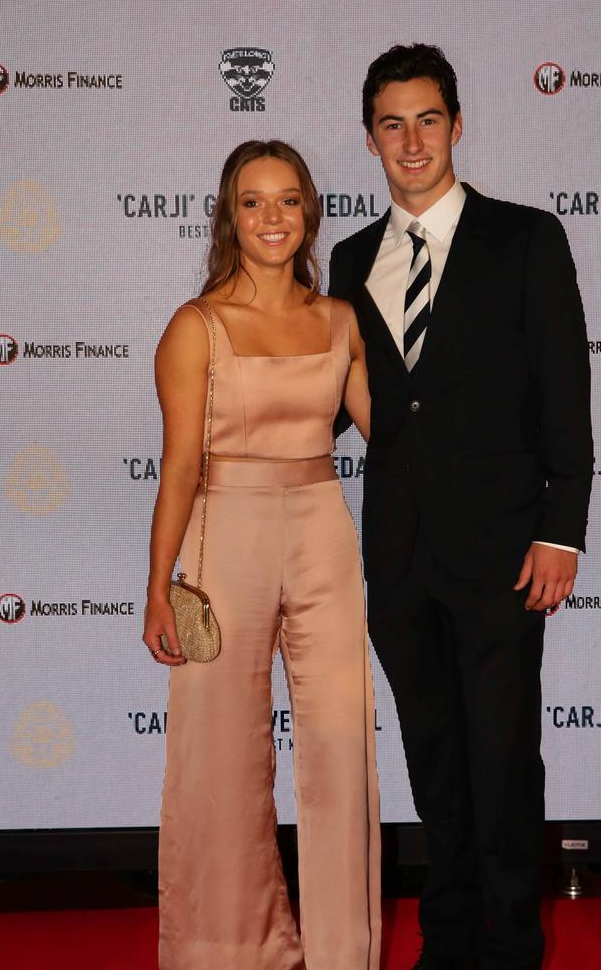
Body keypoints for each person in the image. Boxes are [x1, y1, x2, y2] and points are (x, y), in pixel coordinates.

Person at [329, 45, 593, 970]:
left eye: (427, 119)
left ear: (457, 123)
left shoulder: (524, 237)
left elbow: (564, 393)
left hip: (503, 556)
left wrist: (561, 527)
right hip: (398, 561)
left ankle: (510, 949)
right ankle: (447, 948)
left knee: (502, 764)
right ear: (370, 138)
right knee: (436, 768)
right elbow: (345, 400)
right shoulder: (350, 257)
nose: (411, 141)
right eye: (391, 124)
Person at [143, 139, 380, 970]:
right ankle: (226, 951)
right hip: (224, 530)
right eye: (253, 201)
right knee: (218, 752)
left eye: (287, 201)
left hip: (321, 526)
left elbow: (395, 435)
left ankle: (343, 952)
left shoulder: (340, 320)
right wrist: (157, 587)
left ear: (309, 212)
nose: (271, 217)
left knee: (340, 742)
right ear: (229, 215)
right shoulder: (197, 324)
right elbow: (177, 468)